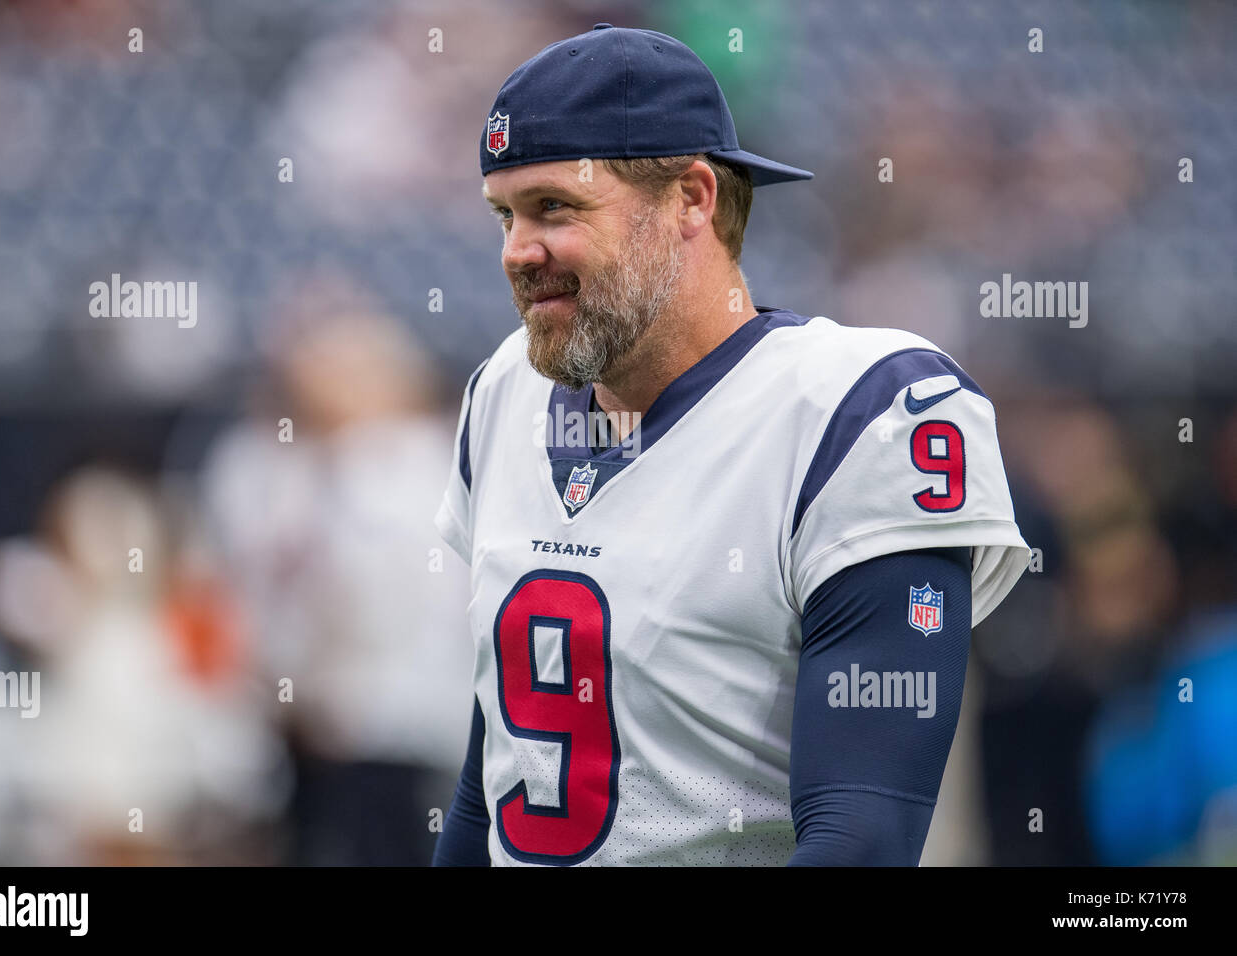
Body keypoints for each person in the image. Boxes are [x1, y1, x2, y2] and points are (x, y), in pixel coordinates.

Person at [432, 23, 1030, 866]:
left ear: (692, 198)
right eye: (505, 214)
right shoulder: (506, 393)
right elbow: (488, 790)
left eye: (554, 207)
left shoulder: (858, 416)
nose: (516, 252)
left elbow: (862, 837)